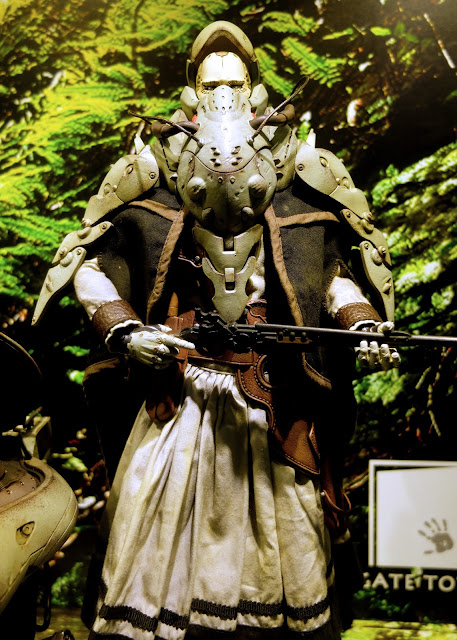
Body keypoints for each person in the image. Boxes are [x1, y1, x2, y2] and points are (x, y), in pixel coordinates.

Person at [34, 21, 399, 640]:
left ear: (254, 89)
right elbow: (90, 265)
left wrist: (362, 324)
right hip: (182, 393)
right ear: (192, 91)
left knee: (282, 542)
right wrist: (125, 332)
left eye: (234, 83)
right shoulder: (151, 171)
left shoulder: (300, 172)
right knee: (152, 535)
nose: (223, 96)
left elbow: (330, 275)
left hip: (269, 395)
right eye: (211, 85)